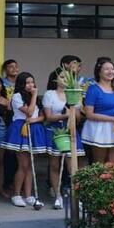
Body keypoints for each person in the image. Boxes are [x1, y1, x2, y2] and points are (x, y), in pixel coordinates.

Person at [2, 72, 48, 207]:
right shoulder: (16, 96)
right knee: (23, 165)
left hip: (33, 128)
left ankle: (28, 195)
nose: (31, 85)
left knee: (30, 165)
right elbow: (28, 112)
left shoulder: (34, 98)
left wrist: (35, 119)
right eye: (27, 82)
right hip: (21, 129)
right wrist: (34, 96)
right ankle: (16, 194)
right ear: (22, 84)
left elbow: (42, 115)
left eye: (32, 82)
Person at [42, 74, 85, 209]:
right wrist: (64, 115)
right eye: (61, 76)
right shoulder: (49, 94)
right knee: (54, 165)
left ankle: (76, 197)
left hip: (70, 130)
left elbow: (78, 118)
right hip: (54, 131)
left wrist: (73, 111)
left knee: (72, 166)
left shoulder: (74, 94)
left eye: (67, 77)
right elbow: (48, 117)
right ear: (56, 79)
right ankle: (57, 195)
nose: (65, 79)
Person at [81, 59, 114, 164]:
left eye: (112, 69)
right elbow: (89, 114)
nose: (110, 72)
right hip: (100, 129)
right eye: (106, 69)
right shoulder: (93, 89)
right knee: (100, 163)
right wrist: (112, 119)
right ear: (99, 72)